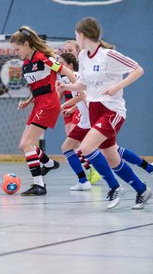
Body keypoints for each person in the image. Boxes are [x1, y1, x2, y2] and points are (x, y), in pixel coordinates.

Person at [61, 17, 152, 209]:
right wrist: (66, 85)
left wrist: (117, 85)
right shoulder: (83, 56)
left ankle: (114, 187)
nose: (76, 38)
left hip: (112, 110)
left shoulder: (108, 55)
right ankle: (142, 189)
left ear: (82, 35)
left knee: (85, 148)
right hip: (94, 108)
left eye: (76, 35)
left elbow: (138, 69)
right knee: (112, 157)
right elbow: (83, 84)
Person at [9, 26, 76, 196]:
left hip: (48, 104)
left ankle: (39, 185)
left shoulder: (43, 59)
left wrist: (79, 90)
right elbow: (37, 87)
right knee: (23, 145)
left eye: (17, 49)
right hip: (38, 103)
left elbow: (66, 71)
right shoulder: (26, 64)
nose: (16, 52)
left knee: (27, 144)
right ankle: (48, 164)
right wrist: (28, 101)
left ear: (26, 44)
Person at [58, 52, 101, 186]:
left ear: (70, 65)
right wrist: (70, 109)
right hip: (84, 117)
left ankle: (91, 172)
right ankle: (85, 177)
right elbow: (80, 98)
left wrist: (65, 105)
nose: (59, 65)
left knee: (109, 150)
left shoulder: (75, 76)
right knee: (70, 146)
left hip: (90, 117)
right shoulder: (66, 79)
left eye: (61, 63)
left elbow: (82, 96)